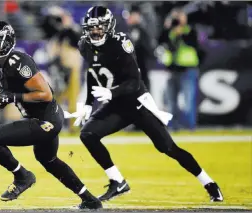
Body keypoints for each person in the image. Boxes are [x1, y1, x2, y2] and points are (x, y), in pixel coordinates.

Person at [72, 6, 223, 203]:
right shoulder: (85, 44)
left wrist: (111, 91)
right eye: (91, 28)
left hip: (136, 103)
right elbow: (93, 72)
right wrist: (88, 104)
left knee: (168, 148)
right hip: (116, 104)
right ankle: (118, 181)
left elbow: (134, 82)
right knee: (88, 134)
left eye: (99, 28)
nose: (95, 32)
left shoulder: (120, 43)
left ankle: (209, 183)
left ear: (109, 27)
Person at [0, 20, 102, 209]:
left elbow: (45, 94)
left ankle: (22, 176)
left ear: (6, 42)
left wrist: (11, 96)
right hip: (36, 118)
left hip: (46, 119)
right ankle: (90, 199)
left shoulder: (18, 62)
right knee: (48, 160)